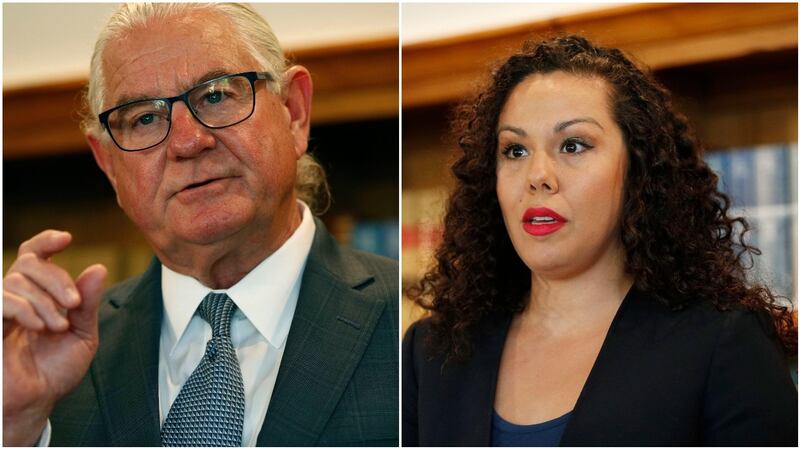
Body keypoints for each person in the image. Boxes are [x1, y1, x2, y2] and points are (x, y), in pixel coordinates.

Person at [3, 3, 398, 446]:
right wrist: (15, 425)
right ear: (109, 164)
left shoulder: (412, 326)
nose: (188, 142)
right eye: (145, 118)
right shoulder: (49, 367)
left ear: (293, 111)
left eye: (215, 95)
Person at [402, 35, 797, 446]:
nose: (538, 175)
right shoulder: (431, 351)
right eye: (515, 150)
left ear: (637, 169)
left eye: (573, 145)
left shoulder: (721, 342)